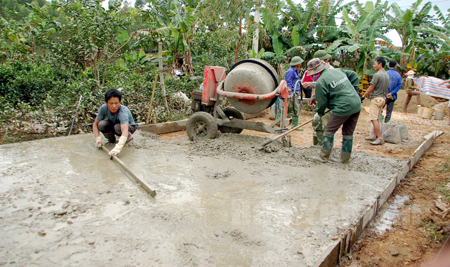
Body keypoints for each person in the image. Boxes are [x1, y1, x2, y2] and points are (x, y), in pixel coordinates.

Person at [307, 58, 362, 163]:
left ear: (316, 72)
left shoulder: (321, 81)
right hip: (356, 104)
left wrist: (319, 113)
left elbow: (322, 102)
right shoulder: (338, 71)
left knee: (329, 130)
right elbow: (353, 75)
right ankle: (345, 159)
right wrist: (355, 90)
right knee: (348, 132)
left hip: (343, 107)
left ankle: (323, 157)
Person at [93, 89, 138, 157]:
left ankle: (128, 139)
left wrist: (118, 147)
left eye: (116, 103)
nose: (114, 106)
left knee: (117, 127)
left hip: (127, 126)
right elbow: (95, 124)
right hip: (114, 123)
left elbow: (124, 130)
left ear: (120, 102)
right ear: (106, 102)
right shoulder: (103, 108)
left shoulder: (123, 112)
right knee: (102, 124)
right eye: (111, 103)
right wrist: (97, 139)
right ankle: (111, 140)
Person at [361, 57, 389, 145]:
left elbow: (371, 87)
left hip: (376, 99)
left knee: (373, 119)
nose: (373, 66)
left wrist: (363, 96)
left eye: (375, 64)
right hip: (382, 99)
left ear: (380, 64)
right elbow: (387, 89)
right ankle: (373, 135)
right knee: (376, 118)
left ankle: (380, 138)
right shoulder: (386, 75)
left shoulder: (377, 75)